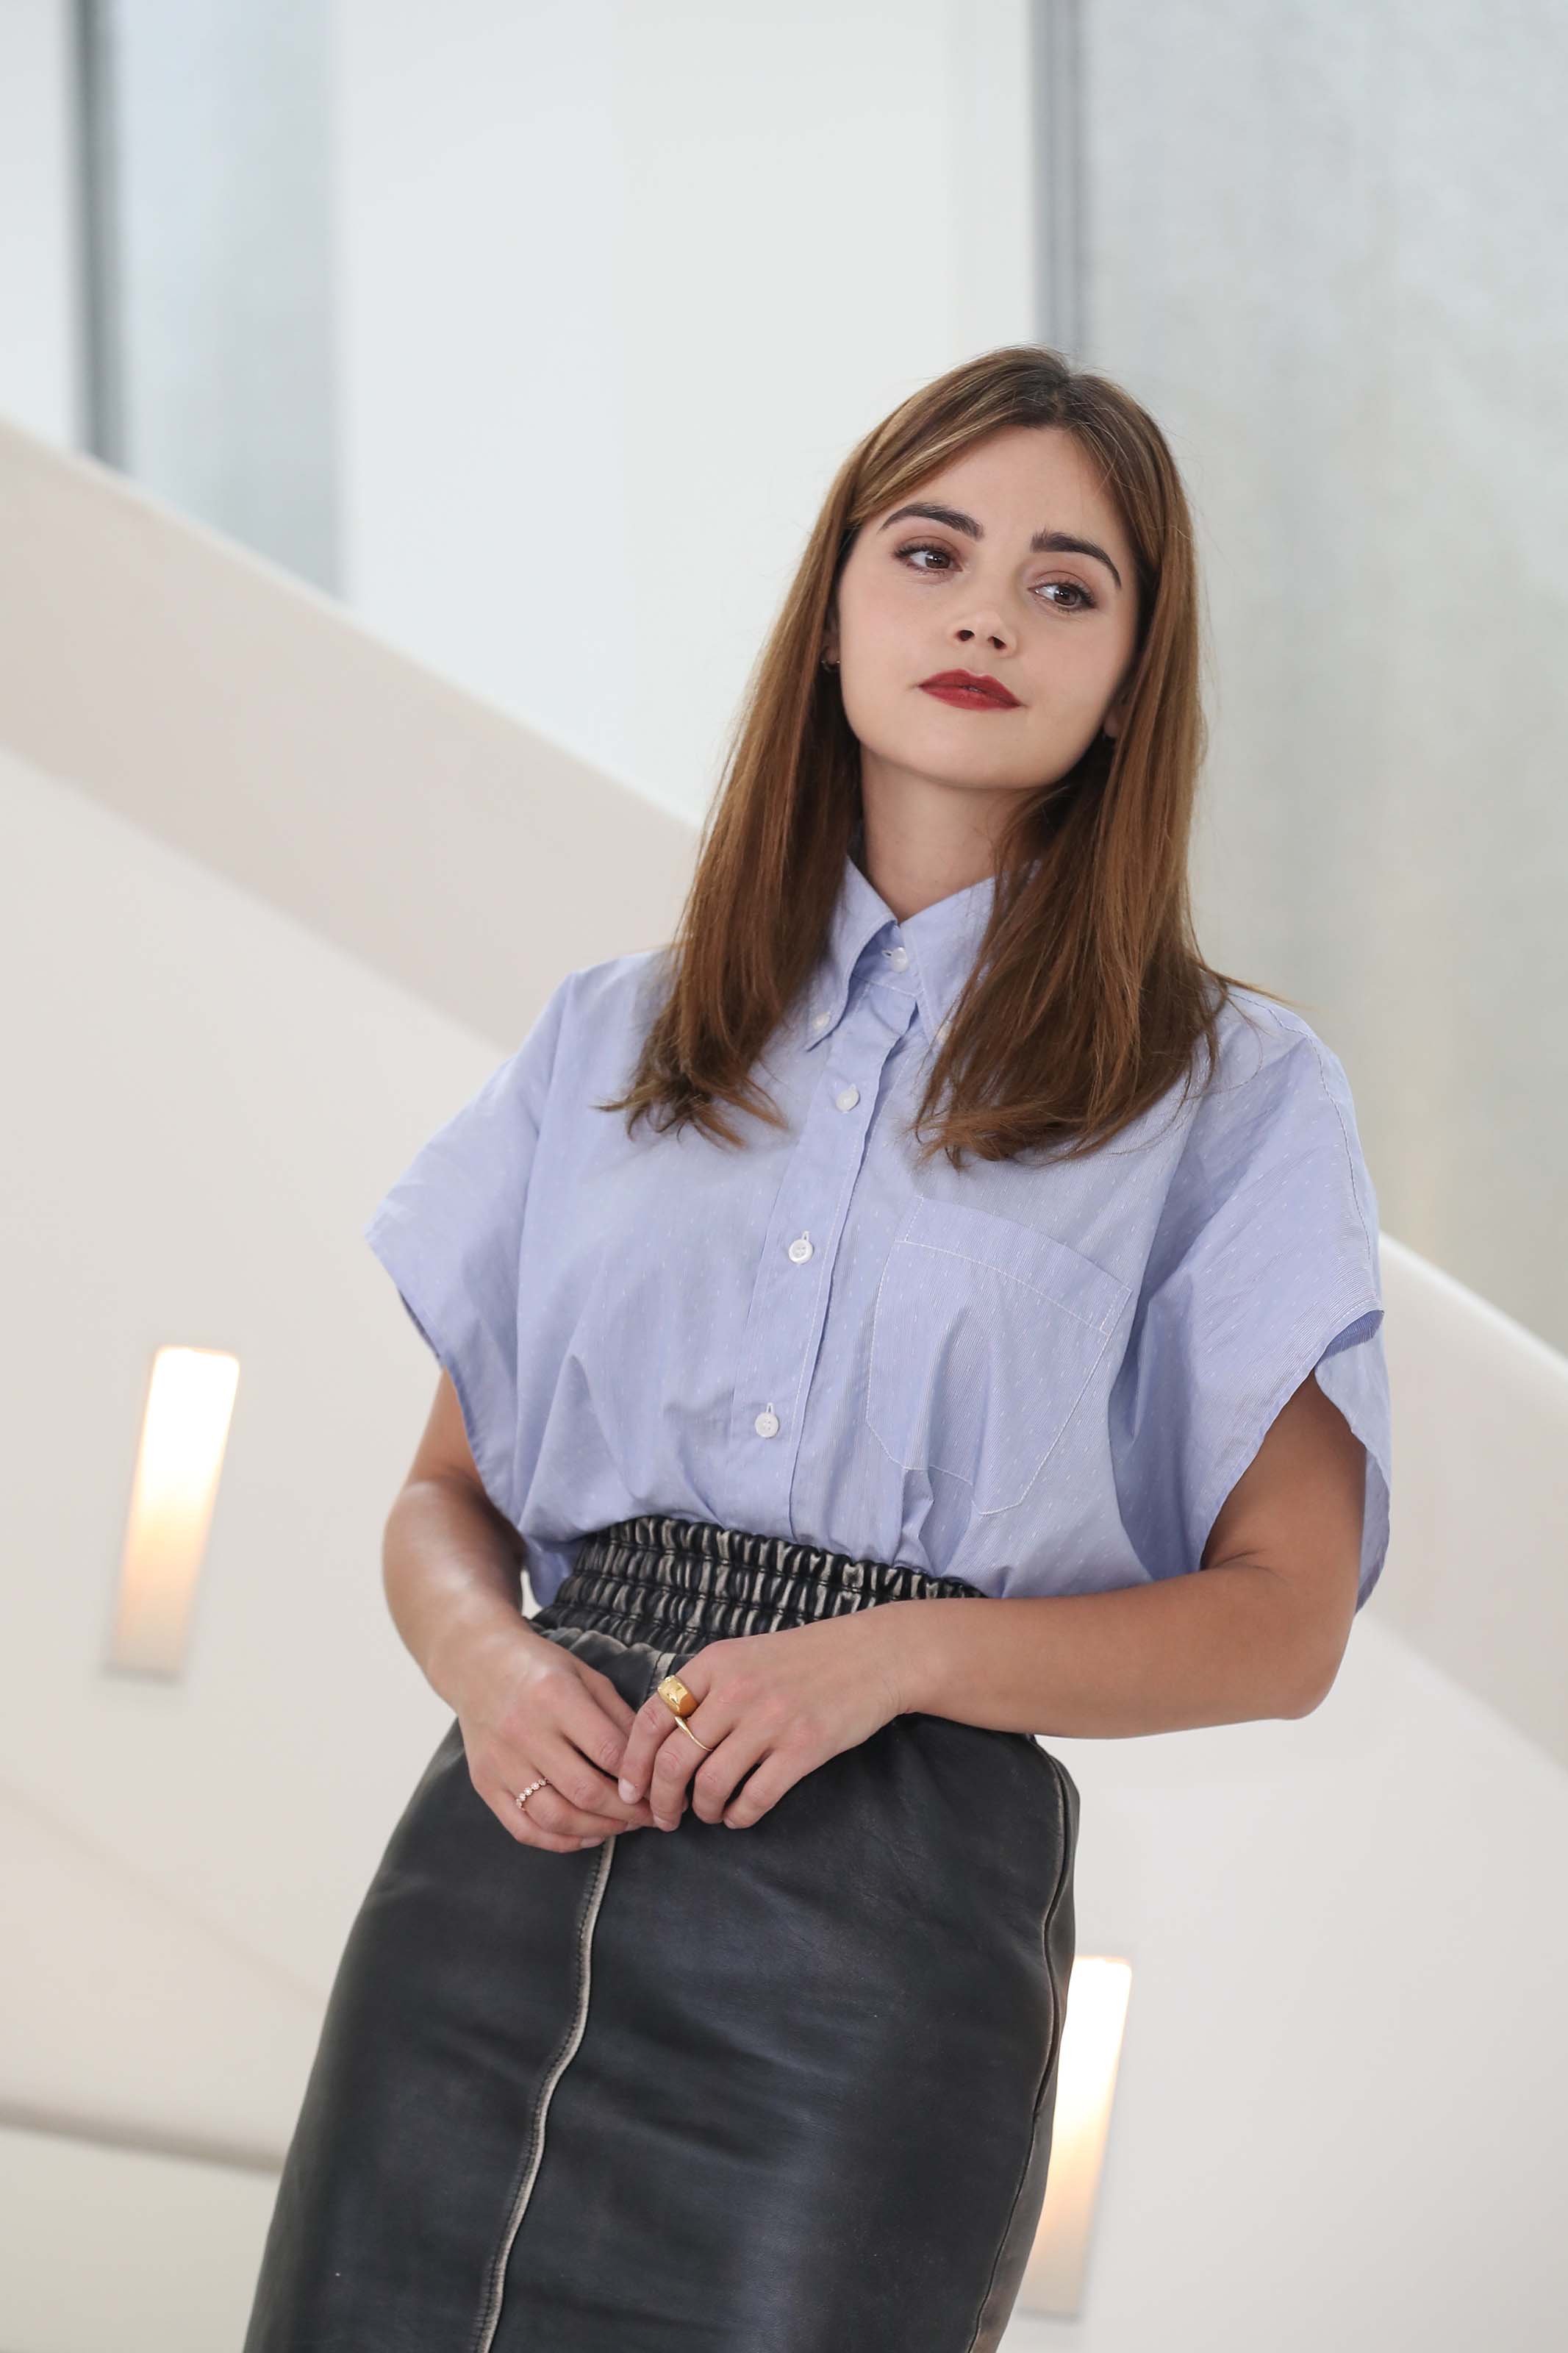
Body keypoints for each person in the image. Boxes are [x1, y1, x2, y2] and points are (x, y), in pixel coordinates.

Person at [242, 345, 1391, 2352]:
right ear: (837, 605)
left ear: (1136, 672)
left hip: (885, 1928)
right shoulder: (616, 1031)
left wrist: (901, 1655)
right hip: (503, 1877)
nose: (983, 613)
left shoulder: (1233, 1093)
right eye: (931, 550)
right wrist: (490, 1661)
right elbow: (446, 1497)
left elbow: (1282, 1623)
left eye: (1067, 585)